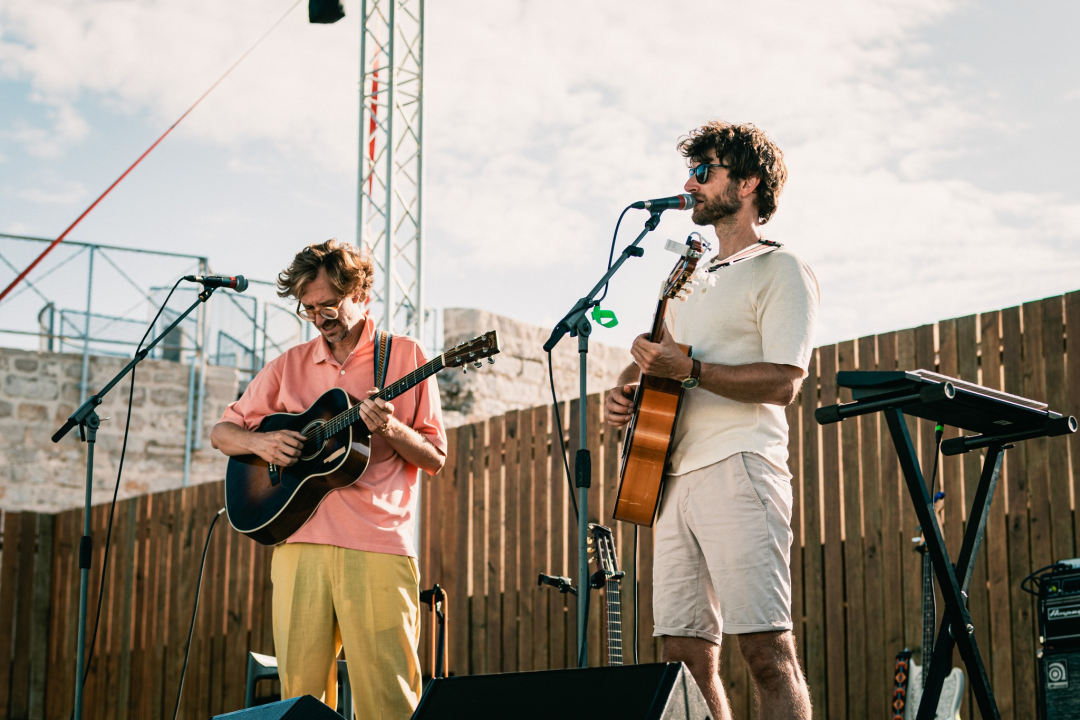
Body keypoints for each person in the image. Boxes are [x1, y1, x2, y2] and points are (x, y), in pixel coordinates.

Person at [605, 122, 818, 720]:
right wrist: (626, 393)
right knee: (683, 658)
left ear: (747, 183)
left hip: (741, 468)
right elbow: (662, 363)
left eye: (705, 171)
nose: (690, 184)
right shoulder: (688, 273)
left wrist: (691, 370)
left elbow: (784, 382)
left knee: (766, 653)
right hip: (670, 478)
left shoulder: (781, 268)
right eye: (690, 171)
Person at [211, 239, 446, 719]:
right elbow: (222, 433)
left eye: (330, 306)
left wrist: (390, 428)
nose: (320, 317)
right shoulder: (288, 365)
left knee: (390, 700)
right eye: (309, 308)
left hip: (377, 543)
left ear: (361, 294)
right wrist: (262, 444)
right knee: (301, 702)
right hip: (298, 545)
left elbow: (434, 456)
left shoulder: (405, 355)